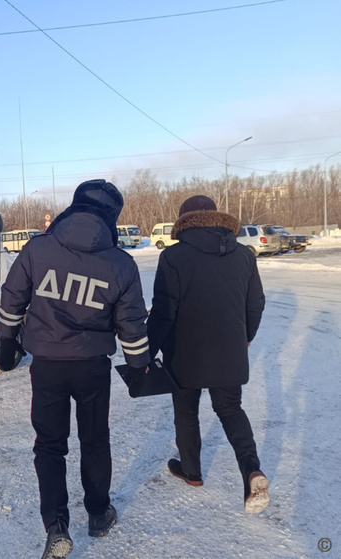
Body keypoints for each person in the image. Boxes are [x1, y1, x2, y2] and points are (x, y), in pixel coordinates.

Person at [0, 179, 150, 559]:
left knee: (50, 445)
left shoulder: (38, 249)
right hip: (92, 367)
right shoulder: (121, 264)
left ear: (75, 205)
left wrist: (5, 339)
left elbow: (13, 298)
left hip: (46, 365)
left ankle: (57, 526)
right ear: (113, 216)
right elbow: (131, 324)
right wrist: (140, 365)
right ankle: (98, 514)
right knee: (95, 440)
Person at [147, 195, 269, 514]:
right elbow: (255, 303)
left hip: (183, 355)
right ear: (215, 219)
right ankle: (251, 471)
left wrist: (146, 353)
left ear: (184, 220)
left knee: (186, 411)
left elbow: (163, 312)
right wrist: (245, 338)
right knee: (230, 409)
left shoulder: (173, 256)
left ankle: (192, 472)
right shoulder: (244, 254)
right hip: (229, 351)